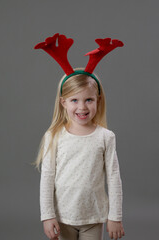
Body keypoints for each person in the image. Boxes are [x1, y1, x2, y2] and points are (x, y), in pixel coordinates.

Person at [34, 67, 125, 240]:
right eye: (74, 100)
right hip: (62, 218)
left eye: (89, 100)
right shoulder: (53, 136)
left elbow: (114, 178)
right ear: (63, 102)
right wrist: (47, 215)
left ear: (98, 100)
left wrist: (115, 217)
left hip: (93, 217)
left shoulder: (106, 137)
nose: (82, 107)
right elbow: (47, 178)